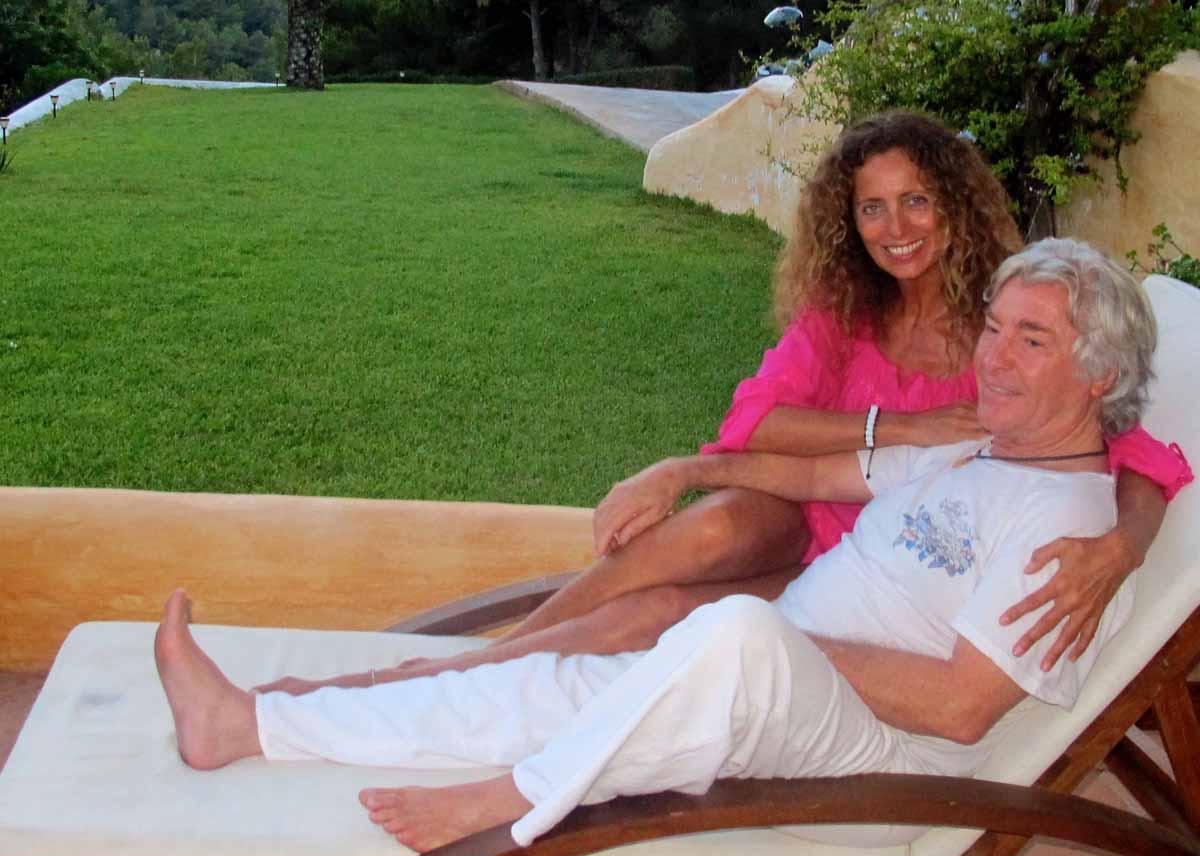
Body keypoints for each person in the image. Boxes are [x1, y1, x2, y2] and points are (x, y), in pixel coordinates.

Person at [159, 238, 1161, 854]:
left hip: (881, 764)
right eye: (994, 327)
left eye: (1031, 339)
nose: (992, 356)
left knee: (728, 632)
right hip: (772, 687)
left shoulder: (1070, 531)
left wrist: (778, 641)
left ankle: (517, 800)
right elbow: (817, 476)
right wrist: (682, 470)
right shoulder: (970, 447)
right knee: (554, 683)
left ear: (1100, 376)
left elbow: (959, 708)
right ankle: (246, 724)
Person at [256, 113, 1190, 703]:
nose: (895, 228)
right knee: (710, 528)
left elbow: (1137, 451)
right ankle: (454, 673)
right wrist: (901, 426)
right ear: (847, 222)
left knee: (662, 608)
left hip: (882, 569)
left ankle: (457, 680)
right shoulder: (847, 312)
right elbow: (757, 425)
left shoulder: (1011, 323)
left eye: (915, 201)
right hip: (810, 510)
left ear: (954, 206)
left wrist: (1121, 547)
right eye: (871, 208)